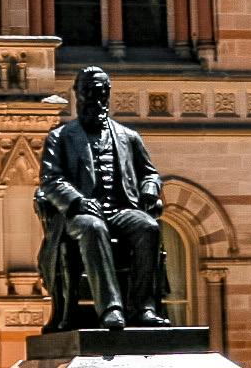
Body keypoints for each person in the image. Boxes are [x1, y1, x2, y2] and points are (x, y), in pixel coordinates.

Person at [33, 65, 169, 331]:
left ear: (108, 95)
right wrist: (77, 201)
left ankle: (143, 307)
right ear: (77, 95)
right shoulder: (60, 137)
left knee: (148, 227)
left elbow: (149, 174)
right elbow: (50, 181)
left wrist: (150, 189)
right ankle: (111, 308)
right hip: (79, 214)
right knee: (93, 228)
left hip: (121, 209)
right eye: (88, 93)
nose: (95, 99)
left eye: (100, 93)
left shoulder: (128, 137)